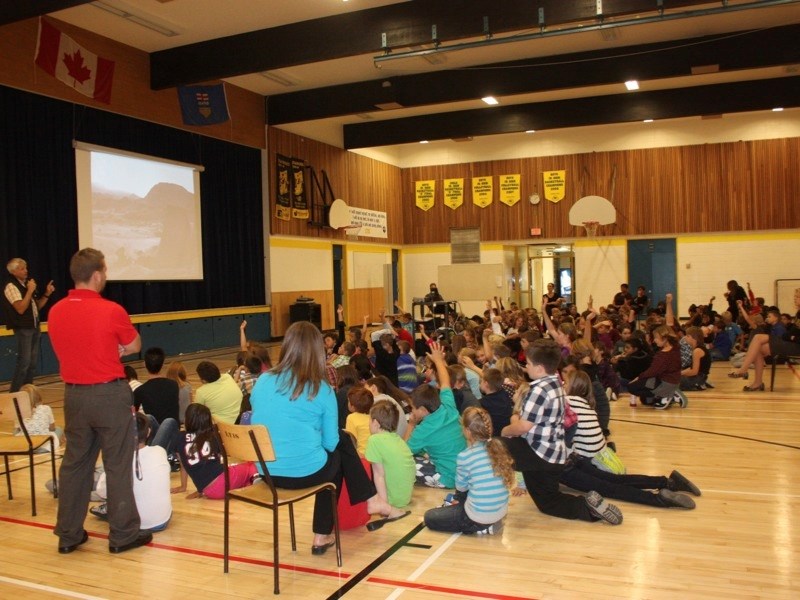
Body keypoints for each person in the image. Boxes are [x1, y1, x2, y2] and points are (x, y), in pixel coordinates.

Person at [250, 321, 407, 555]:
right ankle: (327, 531)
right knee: (340, 445)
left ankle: (370, 502)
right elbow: (330, 443)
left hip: (267, 472)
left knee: (337, 447)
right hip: (302, 473)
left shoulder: (262, 381)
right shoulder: (320, 389)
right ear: (317, 351)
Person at [47, 247, 151, 554]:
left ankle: (68, 534)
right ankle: (123, 535)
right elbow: (133, 344)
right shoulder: (111, 310)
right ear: (97, 275)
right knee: (117, 464)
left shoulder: (56, 311)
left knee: (74, 465)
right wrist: (116, 349)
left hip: (74, 395)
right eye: (104, 271)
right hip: (108, 394)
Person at [500, 339, 623, 525]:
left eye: (529, 364)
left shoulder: (537, 390)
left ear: (540, 368)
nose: (526, 367)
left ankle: (482, 499)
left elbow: (523, 427)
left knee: (494, 446)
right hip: (554, 454)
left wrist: (506, 428)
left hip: (538, 453)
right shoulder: (557, 383)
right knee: (548, 501)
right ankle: (588, 507)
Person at [424, 406, 515, 535]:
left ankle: (482, 527)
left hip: (476, 518)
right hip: (500, 511)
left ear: (467, 431)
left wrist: (459, 500)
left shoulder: (465, 456)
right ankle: (485, 521)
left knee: (430, 517)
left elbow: (461, 487)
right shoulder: (498, 448)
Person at [92, 412, 172, 532]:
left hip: (133, 524)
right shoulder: (160, 451)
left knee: (103, 486)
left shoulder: (119, 459)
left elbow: (102, 492)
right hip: (162, 521)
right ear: (149, 432)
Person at [404, 342, 467, 488]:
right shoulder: (448, 407)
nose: (411, 411)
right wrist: (438, 360)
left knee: (405, 463)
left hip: (450, 478)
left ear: (424, 410)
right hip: (464, 472)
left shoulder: (423, 429)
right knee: (423, 453)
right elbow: (445, 381)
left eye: (413, 408)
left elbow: (403, 451)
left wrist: (411, 424)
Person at [171, 403, 257, 499]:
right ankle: (256, 485)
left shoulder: (179, 437)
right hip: (223, 482)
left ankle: (247, 485)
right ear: (207, 421)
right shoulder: (212, 436)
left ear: (187, 419)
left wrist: (184, 487)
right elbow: (221, 460)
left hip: (208, 491)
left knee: (239, 475)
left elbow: (184, 465)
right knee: (252, 465)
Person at [3, 258, 55, 392]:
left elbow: (36, 307)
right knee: (24, 363)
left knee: (32, 364)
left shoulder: (26, 285)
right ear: (13, 271)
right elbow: (20, 308)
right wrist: (30, 291)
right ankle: (14, 394)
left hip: (34, 327)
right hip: (23, 329)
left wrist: (47, 294)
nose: (26, 271)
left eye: (26, 268)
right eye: (22, 268)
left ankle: (27, 392)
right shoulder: (11, 286)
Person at [365, 400, 415, 512]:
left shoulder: (375, 440)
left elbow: (379, 475)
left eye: (369, 420)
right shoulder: (397, 439)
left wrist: (384, 505)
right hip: (404, 497)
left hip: (391, 500)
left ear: (376, 423)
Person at [16, 383, 63, 453]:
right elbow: (52, 428)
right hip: (43, 442)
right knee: (58, 429)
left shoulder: (19, 412)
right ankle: (43, 447)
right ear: (38, 396)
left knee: (16, 431)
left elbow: (18, 428)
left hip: (24, 443)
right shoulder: (46, 408)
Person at [345, 386, 374, 456]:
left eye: (348, 401)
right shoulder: (373, 416)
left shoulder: (351, 418)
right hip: (374, 454)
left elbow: (351, 441)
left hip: (361, 455)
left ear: (353, 406)